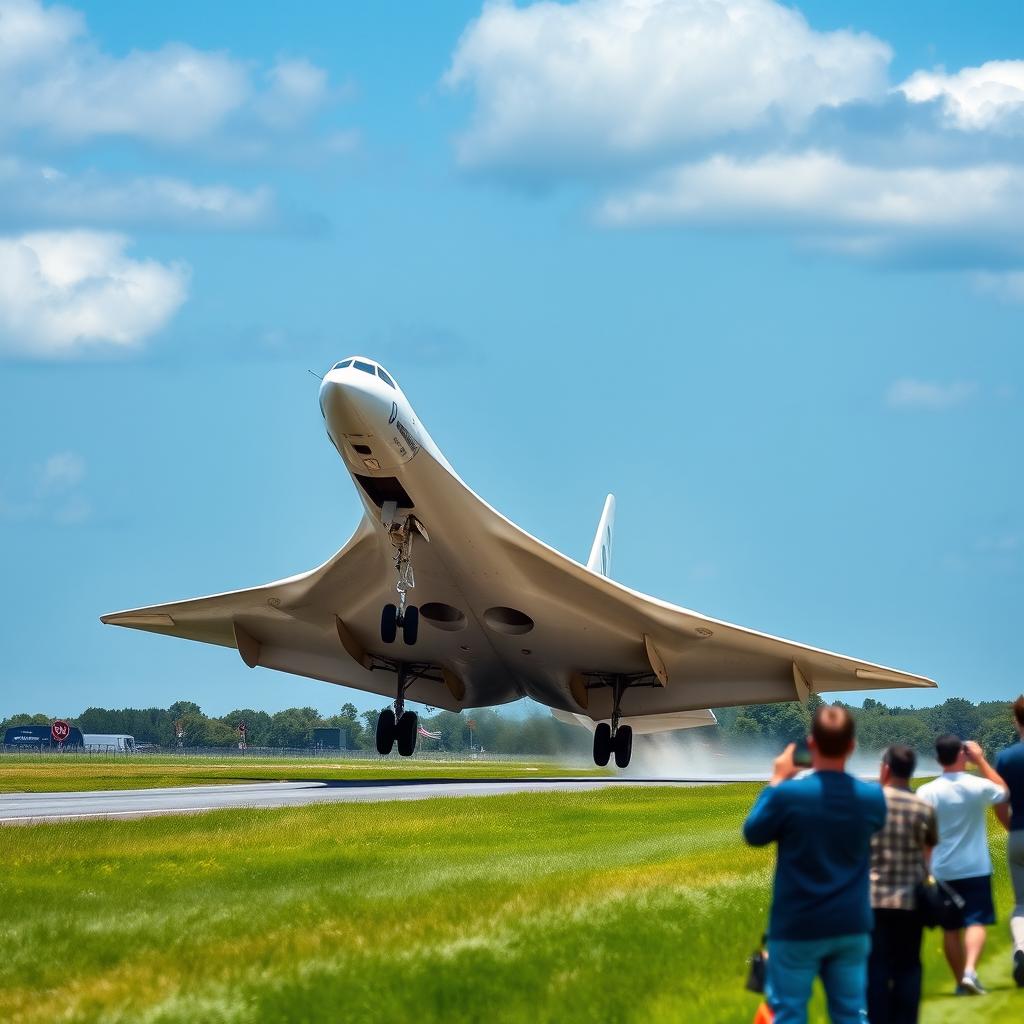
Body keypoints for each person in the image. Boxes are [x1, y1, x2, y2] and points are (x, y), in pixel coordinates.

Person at [743, 705, 886, 1024]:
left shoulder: (789, 795)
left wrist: (777, 780)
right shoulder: (872, 797)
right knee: (851, 1013)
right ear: (851, 746)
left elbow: (753, 833)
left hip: (797, 924)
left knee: (789, 1012)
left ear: (811, 744)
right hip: (851, 923)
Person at [917, 734, 1009, 995]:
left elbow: (925, 835)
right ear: (962, 755)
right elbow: (1003, 792)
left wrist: (926, 868)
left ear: (937, 759)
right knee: (975, 921)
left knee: (951, 928)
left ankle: (960, 982)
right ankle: (970, 970)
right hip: (975, 866)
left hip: (943, 869)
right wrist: (981, 761)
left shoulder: (927, 791)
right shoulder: (977, 786)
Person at [867, 744, 938, 1024]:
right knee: (909, 967)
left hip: (873, 900)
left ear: (885, 769)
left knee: (876, 969)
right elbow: (928, 854)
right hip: (910, 900)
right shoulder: (923, 806)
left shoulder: (871, 803)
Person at [994, 694, 1024, 987]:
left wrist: (1012, 827)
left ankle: (1021, 949)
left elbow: (999, 803)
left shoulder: (1006, 758)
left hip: (1018, 835)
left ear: (1017, 721)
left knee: (1022, 905)